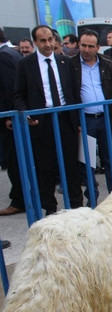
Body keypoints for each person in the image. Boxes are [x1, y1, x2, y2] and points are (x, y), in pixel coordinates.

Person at [13, 25, 83, 215]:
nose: (48, 44)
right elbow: (18, 95)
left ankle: (76, 207)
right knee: (45, 169)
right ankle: (50, 210)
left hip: (65, 121)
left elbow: (74, 93)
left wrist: (76, 120)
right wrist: (25, 113)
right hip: (41, 124)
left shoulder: (65, 62)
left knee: (71, 166)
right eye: (42, 41)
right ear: (35, 42)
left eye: (50, 39)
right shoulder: (25, 64)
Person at [71, 29, 112, 202]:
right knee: (86, 161)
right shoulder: (71, 65)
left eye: (90, 46)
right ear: (79, 44)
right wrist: (74, 121)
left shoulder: (106, 63)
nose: (86, 49)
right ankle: (92, 198)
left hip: (105, 118)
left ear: (98, 47)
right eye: (83, 45)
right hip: (85, 120)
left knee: (110, 158)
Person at [0, 27, 25, 216]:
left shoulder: (5, 56)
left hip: (10, 119)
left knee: (14, 159)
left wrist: (9, 115)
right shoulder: (11, 53)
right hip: (12, 117)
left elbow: (10, 88)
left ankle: (19, 200)